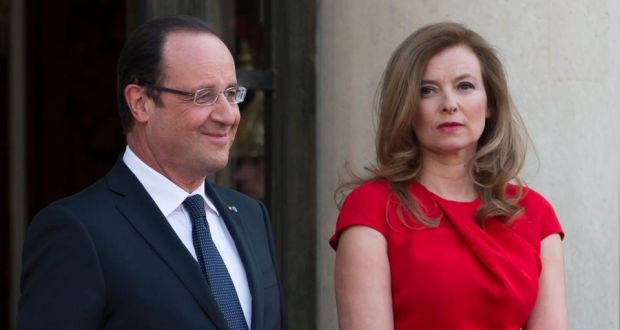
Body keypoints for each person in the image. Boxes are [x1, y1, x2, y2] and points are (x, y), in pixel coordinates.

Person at [18, 15, 284, 330]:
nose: (228, 116)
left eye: (231, 93)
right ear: (141, 102)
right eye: (204, 96)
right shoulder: (77, 231)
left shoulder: (251, 216)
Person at [330, 22, 567, 330]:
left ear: (490, 103)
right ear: (406, 107)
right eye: (427, 90)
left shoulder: (535, 214)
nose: (449, 104)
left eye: (465, 86)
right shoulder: (370, 209)